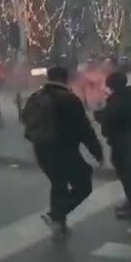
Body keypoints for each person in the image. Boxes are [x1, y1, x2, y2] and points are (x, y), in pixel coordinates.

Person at [22, 66, 103, 235]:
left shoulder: (36, 96)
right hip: (64, 151)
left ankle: (59, 224)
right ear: (64, 79)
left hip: (41, 149)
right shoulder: (69, 99)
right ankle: (56, 215)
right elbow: (85, 129)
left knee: (58, 183)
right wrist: (98, 153)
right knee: (83, 184)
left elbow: (24, 117)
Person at [94, 71, 131, 220]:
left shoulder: (116, 101)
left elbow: (109, 123)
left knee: (126, 173)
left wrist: (101, 119)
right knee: (127, 172)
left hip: (122, 143)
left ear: (112, 84)